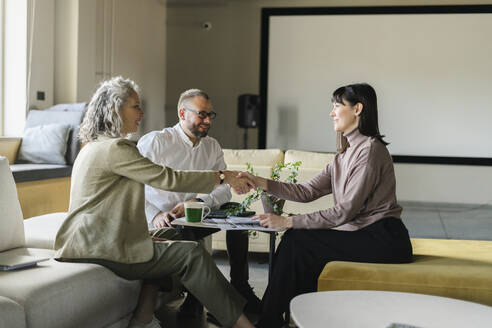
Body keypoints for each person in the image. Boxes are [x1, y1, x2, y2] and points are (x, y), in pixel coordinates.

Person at [53, 77, 256, 328]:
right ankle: (244, 324)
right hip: (101, 247)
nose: (142, 113)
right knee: (191, 252)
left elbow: (108, 206)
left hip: (87, 241)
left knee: (170, 234)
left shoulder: (93, 147)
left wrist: (144, 235)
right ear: (116, 109)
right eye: (136, 106)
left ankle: (143, 317)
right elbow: (167, 178)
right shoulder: (119, 148)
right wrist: (223, 176)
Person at [240, 83, 413, 328]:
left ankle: (270, 322)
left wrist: (288, 220)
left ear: (358, 109)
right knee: (295, 241)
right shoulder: (344, 155)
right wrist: (261, 182)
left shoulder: (371, 151)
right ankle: (284, 319)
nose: (331, 113)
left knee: (297, 239)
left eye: (337, 106)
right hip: (364, 235)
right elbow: (307, 191)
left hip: (385, 239)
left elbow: (345, 211)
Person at [136, 89, 261, 318]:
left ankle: (240, 284)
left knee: (240, 218)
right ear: (182, 113)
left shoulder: (212, 146)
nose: (207, 121)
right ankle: (198, 298)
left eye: (210, 115)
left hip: (197, 214)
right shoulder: (156, 142)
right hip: (165, 220)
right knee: (187, 232)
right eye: (202, 114)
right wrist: (154, 214)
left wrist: (200, 201)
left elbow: (224, 189)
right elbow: (134, 186)